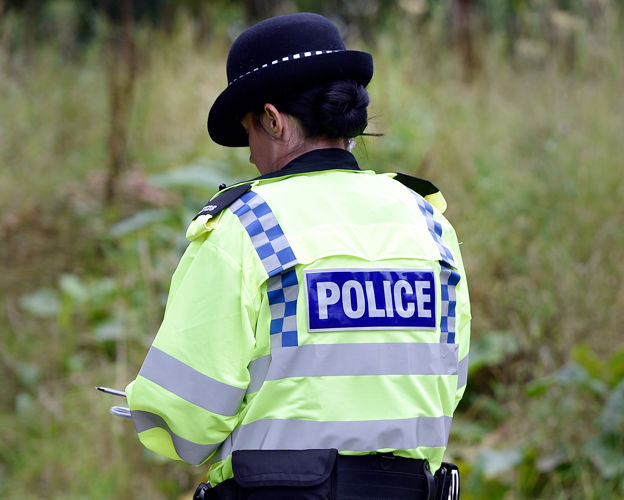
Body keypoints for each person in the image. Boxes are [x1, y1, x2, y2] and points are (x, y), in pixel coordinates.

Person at [124, 12, 470, 500]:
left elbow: (185, 420)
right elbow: (449, 383)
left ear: (273, 120)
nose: (249, 154)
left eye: (249, 132)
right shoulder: (428, 225)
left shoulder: (248, 228)